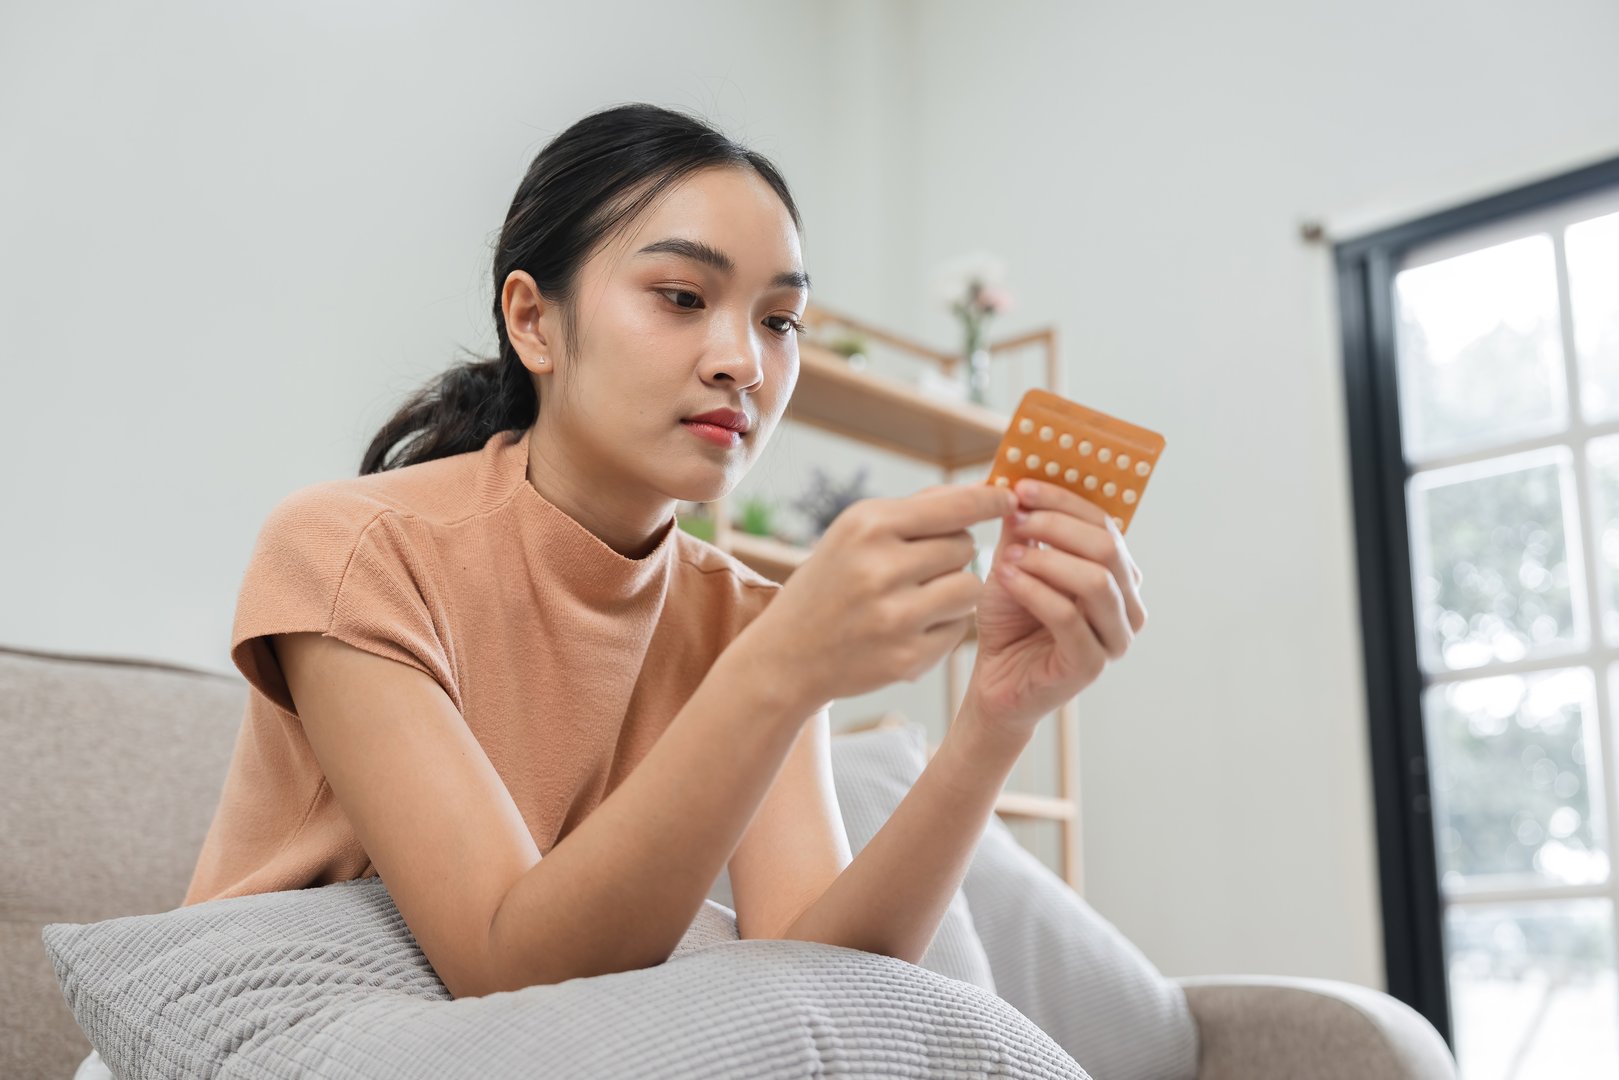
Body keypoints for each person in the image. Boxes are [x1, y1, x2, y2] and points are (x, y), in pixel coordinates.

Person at [181, 101, 1147, 1000]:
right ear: (533, 321)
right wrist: (778, 668)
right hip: (279, 1023)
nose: (744, 361)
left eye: (779, 321)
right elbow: (503, 969)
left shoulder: (742, 616)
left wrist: (995, 725)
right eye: (682, 296)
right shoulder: (350, 547)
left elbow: (814, 979)